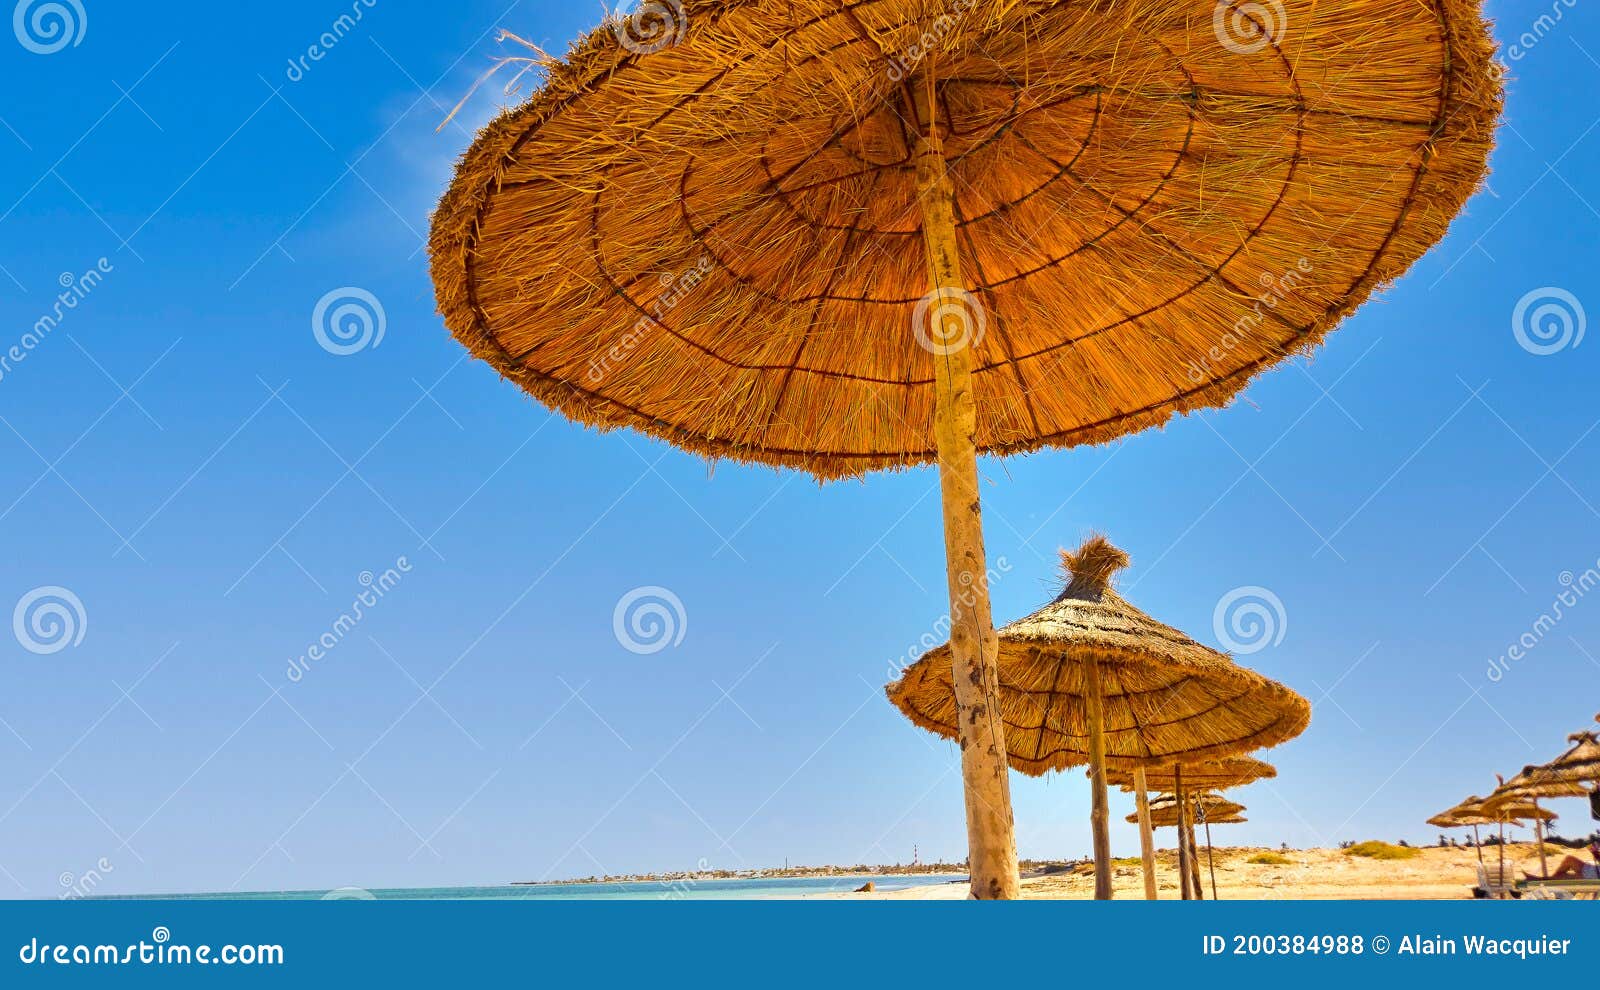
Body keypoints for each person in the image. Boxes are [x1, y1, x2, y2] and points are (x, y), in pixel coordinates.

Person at [1532, 835, 1600, 881]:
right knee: (1569, 859)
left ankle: (1546, 881)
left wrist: (1595, 853)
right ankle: (1550, 881)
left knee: (1565, 876)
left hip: (1595, 874)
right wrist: (1595, 852)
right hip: (1593, 869)